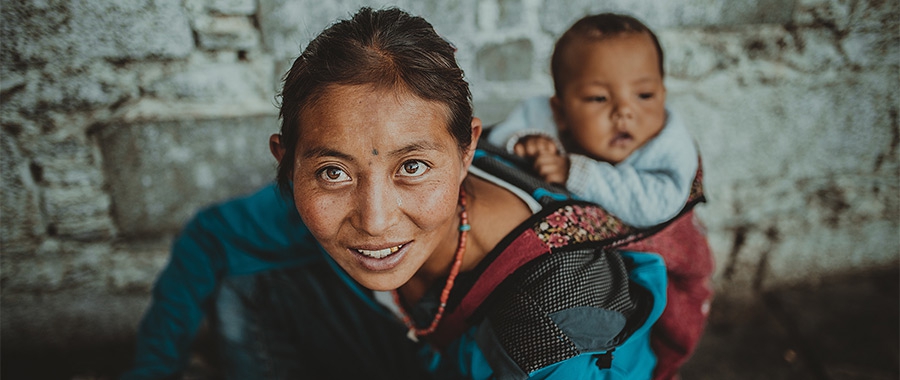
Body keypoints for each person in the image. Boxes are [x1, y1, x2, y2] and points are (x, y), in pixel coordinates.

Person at [121, 8, 673, 380]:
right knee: (246, 288)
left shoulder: (562, 315)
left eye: (413, 166)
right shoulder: (306, 194)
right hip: (419, 349)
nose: (375, 220)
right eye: (335, 173)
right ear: (287, 164)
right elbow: (212, 235)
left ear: (467, 152)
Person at [486, 13, 714, 380]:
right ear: (560, 111)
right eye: (597, 98)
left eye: (645, 94)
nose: (624, 111)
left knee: (660, 328)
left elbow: (660, 203)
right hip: (593, 277)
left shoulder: (669, 145)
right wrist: (526, 142)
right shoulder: (546, 116)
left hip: (662, 266)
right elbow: (501, 138)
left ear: (664, 93)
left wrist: (575, 172)